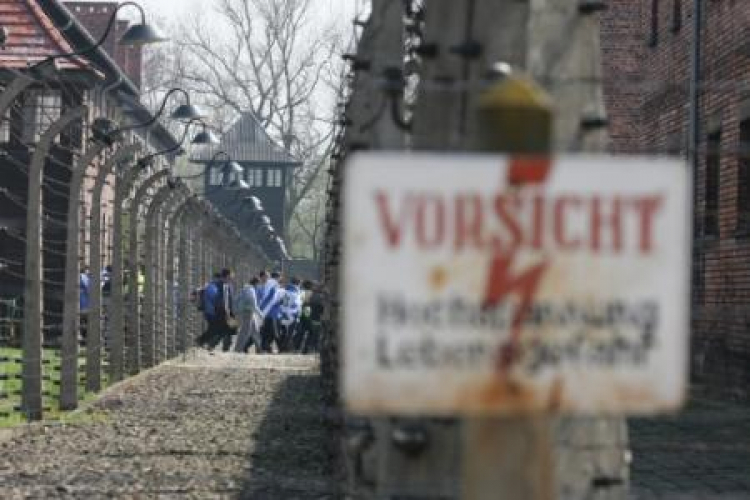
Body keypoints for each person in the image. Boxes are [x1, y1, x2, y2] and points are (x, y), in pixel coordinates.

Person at [198, 269, 236, 352]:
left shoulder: (227, 285)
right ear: (226, 276)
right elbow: (222, 300)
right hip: (223, 312)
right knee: (219, 329)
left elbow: (229, 299)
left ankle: (216, 345)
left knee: (229, 329)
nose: (232, 278)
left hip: (228, 311)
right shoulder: (219, 285)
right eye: (231, 276)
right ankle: (203, 342)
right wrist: (227, 312)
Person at [235, 276, 263, 353]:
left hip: (248, 312)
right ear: (256, 283)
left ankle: (259, 349)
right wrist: (261, 314)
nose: (259, 286)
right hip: (248, 312)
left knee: (255, 331)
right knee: (245, 332)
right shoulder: (251, 290)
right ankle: (238, 349)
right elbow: (253, 304)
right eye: (258, 284)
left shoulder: (245, 289)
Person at [258, 271, 284, 353]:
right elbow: (272, 300)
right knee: (274, 332)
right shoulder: (274, 286)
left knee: (267, 332)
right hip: (272, 313)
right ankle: (280, 348)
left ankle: (265, 347)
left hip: (266, 313)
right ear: (277, 277)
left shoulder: (267, 285)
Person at [279, 277, 302, 352]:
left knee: (285, 332)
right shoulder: (296, 293)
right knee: (291, 333)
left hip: (284, 313)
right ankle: (285, 348)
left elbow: (284, 303)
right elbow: (297, 305)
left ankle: (283, 347)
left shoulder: (286, 290)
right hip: (293, 314)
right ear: (298, 284)